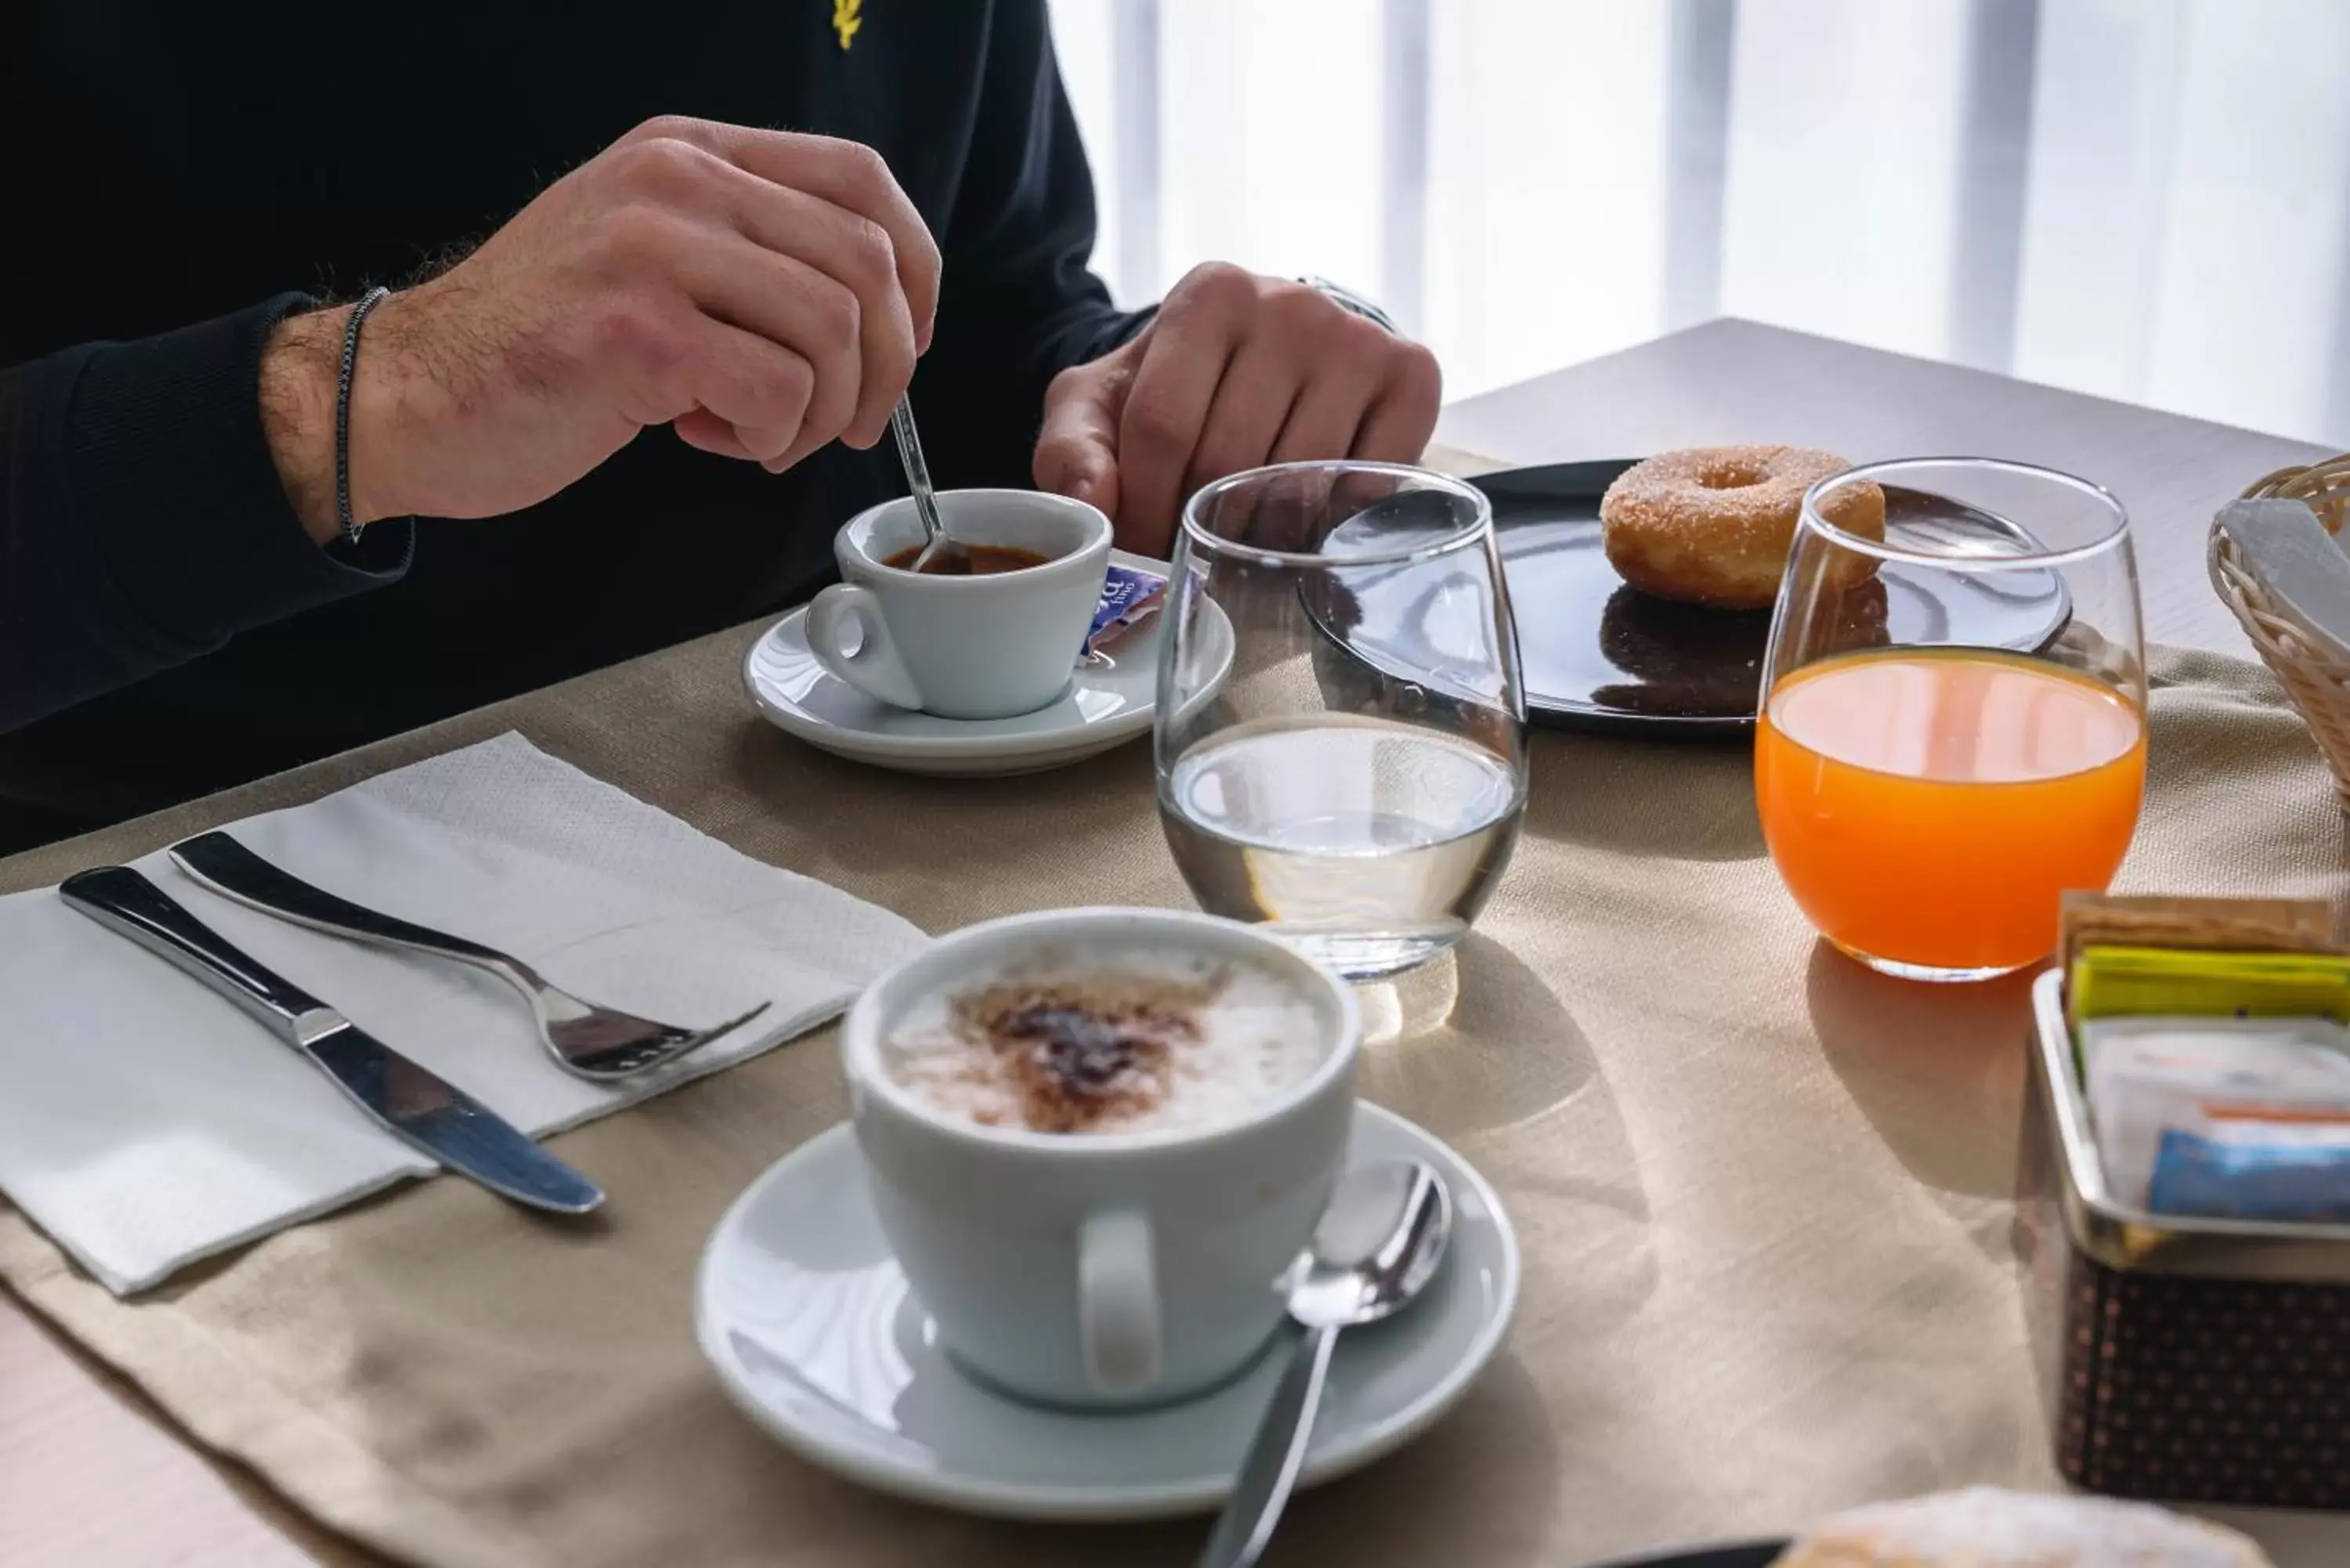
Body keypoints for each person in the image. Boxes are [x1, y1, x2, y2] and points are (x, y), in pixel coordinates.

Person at [0, 2, 1439, 853]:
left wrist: (1151, 390)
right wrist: (379, 394)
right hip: (172, 883)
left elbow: (990, 308)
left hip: (816, 827)